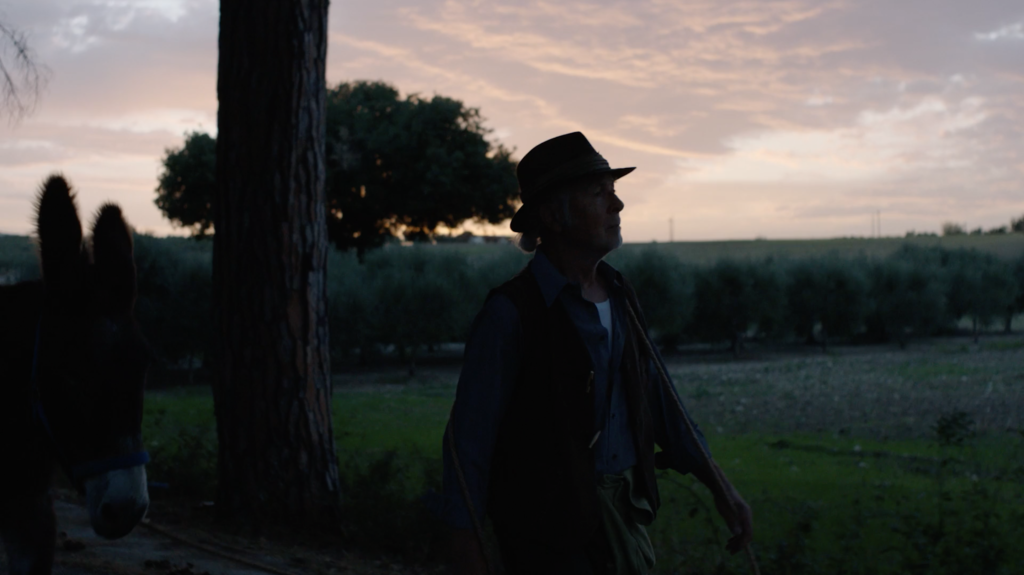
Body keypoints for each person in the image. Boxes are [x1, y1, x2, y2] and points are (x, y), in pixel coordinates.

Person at [442, 132, 753, 575]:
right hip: (547, 537)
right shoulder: (510, 314)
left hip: (626, 520)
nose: (617, 205)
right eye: (597, 193)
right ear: (552, 215)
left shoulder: (621, 294)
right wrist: (466, 548)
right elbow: (467, 445)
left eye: (614, 191)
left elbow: (662, 403)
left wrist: (720, 484)